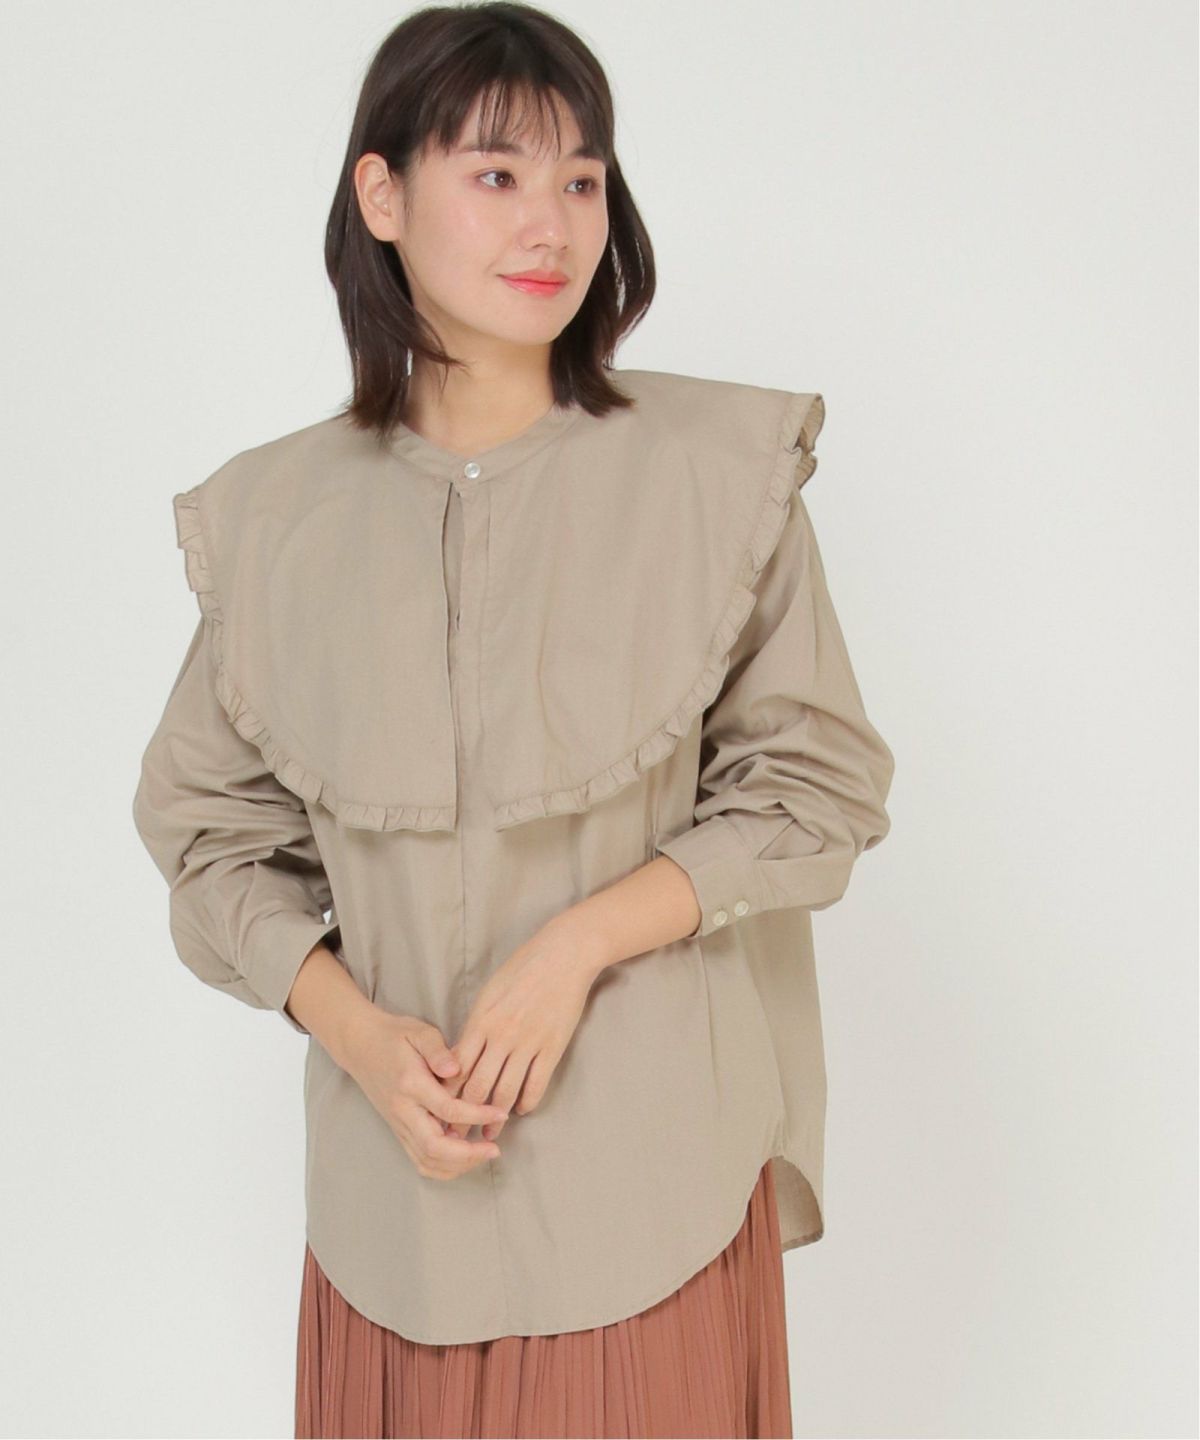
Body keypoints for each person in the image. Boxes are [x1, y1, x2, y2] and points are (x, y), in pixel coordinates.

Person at [131, 4, 896, 1436]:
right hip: (390, 1230)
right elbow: (212, 841)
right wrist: (355, 1031)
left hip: (651, 1198)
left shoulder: (715, 474)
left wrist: (577, 945)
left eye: (582, 178)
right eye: (496, 173)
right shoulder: (275, 520)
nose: (552, 222)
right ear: (381, 195)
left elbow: (815, 792)